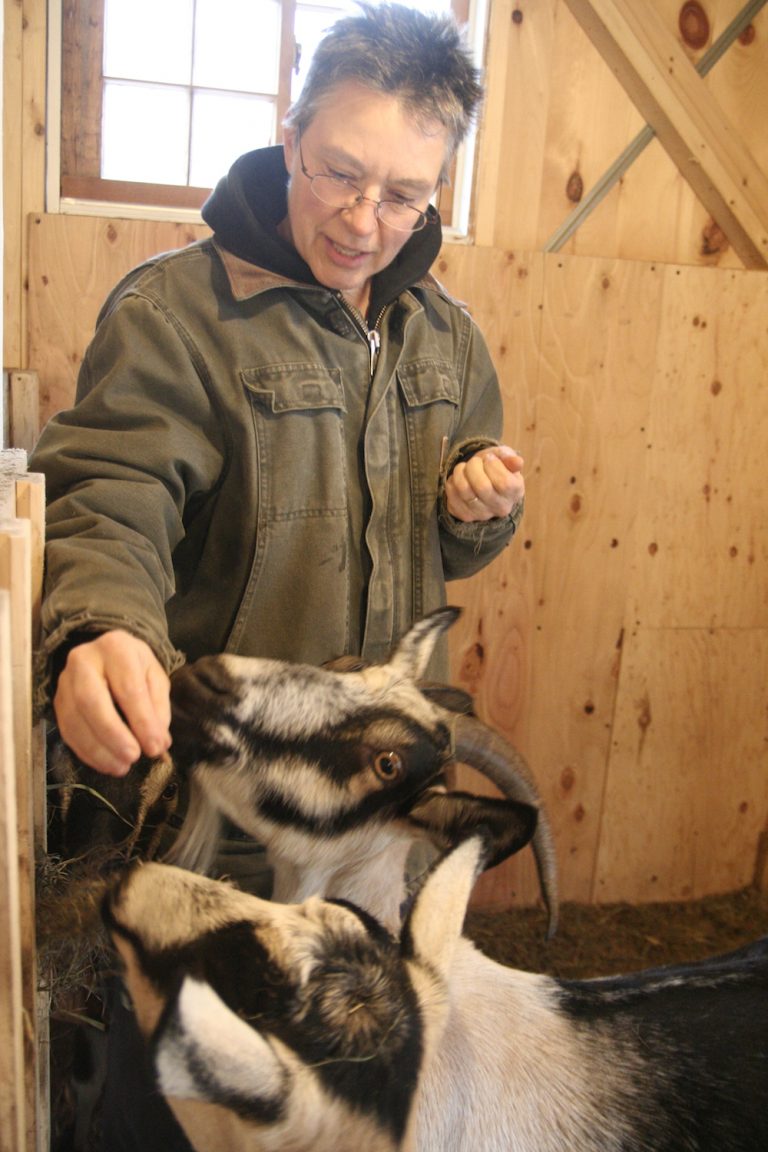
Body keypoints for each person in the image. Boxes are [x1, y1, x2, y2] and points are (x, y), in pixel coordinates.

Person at [32, 4, 524, 1147]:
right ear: (291, 133)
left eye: (404, 194)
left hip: (364, 829)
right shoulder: (178, 315)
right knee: (172, 1099)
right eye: (340, 172)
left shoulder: (445, 340)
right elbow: (110, 493)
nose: (365, 219)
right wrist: (98, 626)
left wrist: (476, 509)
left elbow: (447, 536)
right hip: (209, 821)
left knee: (330, 1107)